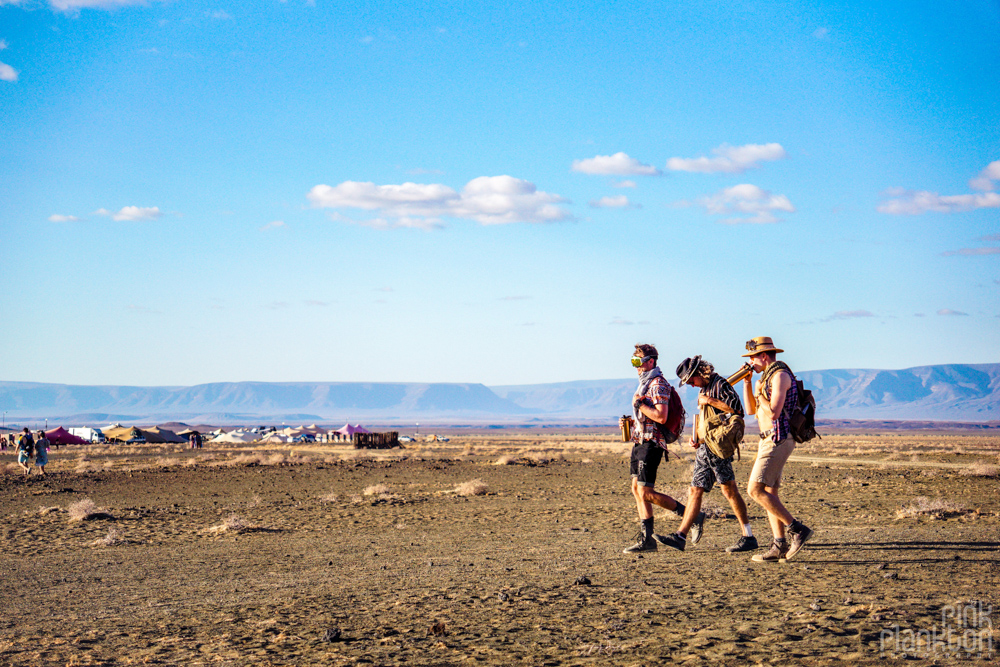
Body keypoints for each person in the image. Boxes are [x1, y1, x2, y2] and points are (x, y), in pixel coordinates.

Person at [655, 356, 758, 553]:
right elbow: (709, 420)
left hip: (718, 447)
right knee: (695, 490)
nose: (692, 385)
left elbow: (736, 411)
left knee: (729, 490)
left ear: (699, 374)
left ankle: (748, 536)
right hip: (706, 448)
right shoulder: (705, 389)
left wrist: (709, 400)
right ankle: (680, 536)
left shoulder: (720, 385)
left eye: (691, 380)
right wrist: (698, 439)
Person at [741, 337, 814, 562]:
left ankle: (797, 530)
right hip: (767, 439)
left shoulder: (780, 376)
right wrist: (747, 383)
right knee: (770, 493)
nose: (751, 362)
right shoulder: (763, 379)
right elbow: (751, 409)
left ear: (764, 356)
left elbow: (773, 412)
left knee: (754, 490)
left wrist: (761, 393)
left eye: (753, 357)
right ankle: (778, 546)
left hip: (779, 438)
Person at [619, 344, 687, 553]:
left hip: (651, 443)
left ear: (651, 361)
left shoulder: (658, 384)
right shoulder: (644, 385)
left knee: (645, 492)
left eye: (638, 362)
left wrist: (640, 406)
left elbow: (661, 416)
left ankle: (690, 514)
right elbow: (648, 417)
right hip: (639, 440)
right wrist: (631, 422)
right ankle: (647, 540)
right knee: (636, 490)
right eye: (633, 361)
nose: (636, 367)